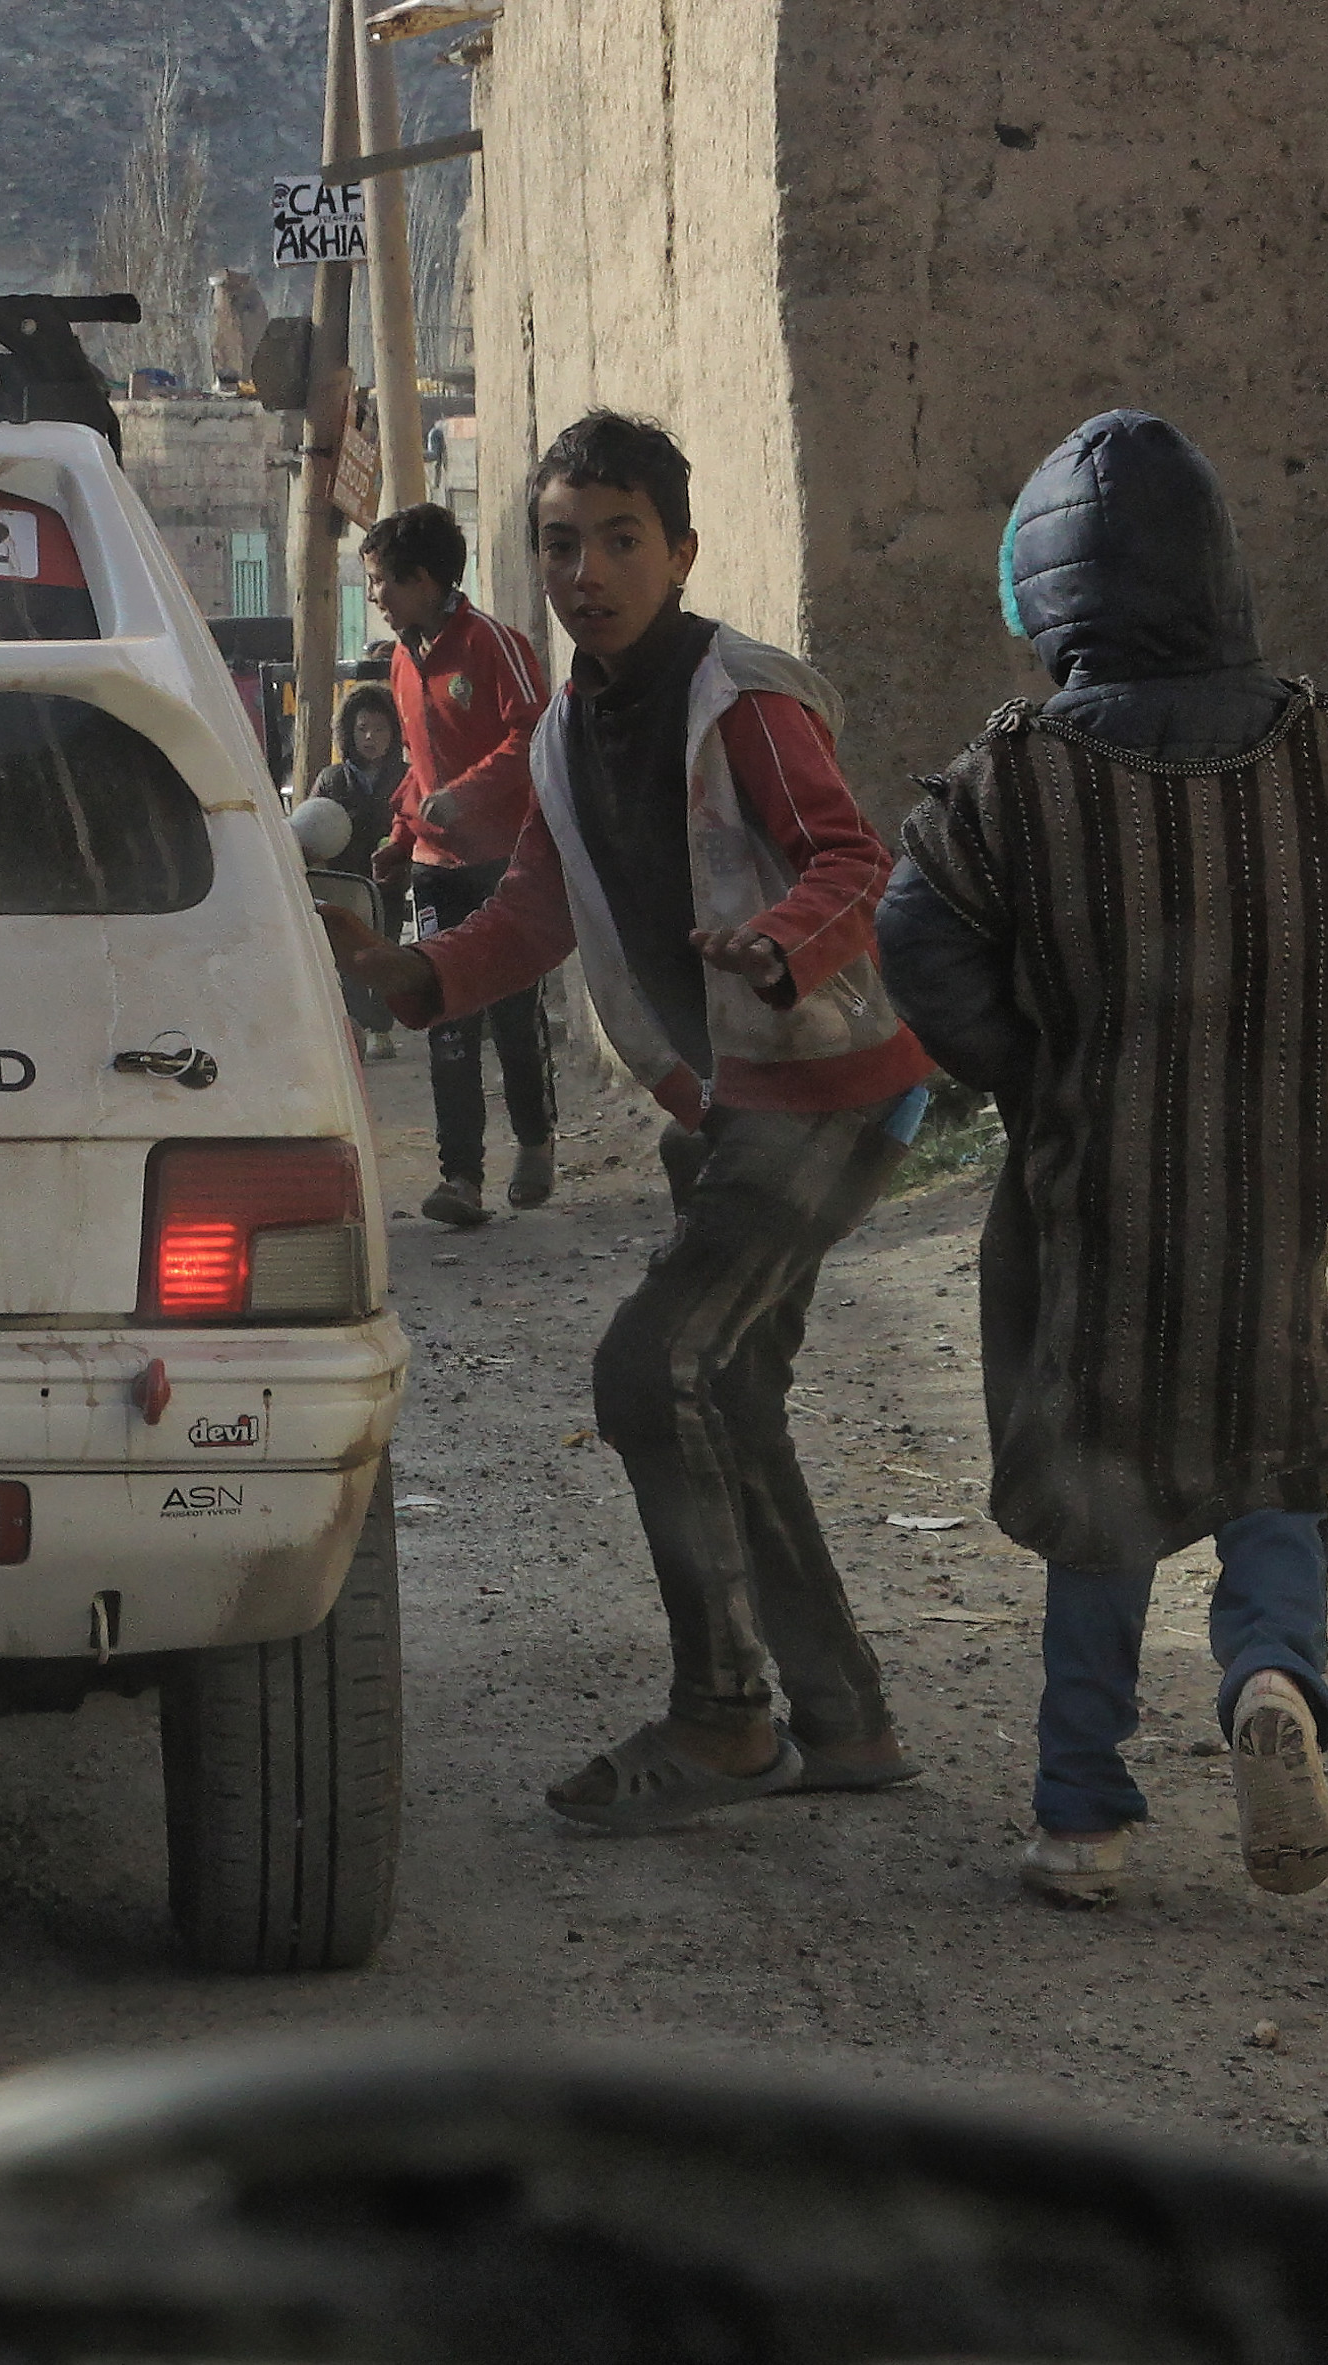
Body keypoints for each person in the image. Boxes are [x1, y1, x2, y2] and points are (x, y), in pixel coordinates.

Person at [875, 410, 1328, 1910]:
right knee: (1276, 1451)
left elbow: (916, 933)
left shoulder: (1017, 778)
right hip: (1275, 1191)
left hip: (1099, 1209)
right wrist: (1327, 1054)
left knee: (1098, 1498)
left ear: (1051, 593)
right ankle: (1272, 1675)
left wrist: (1039, 1069)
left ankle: (1081, 1813)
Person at [326, 414, 937, 1831]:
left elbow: (854, 858)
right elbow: (536, 909)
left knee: (649, 1367)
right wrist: (414, 975)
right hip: (727, 1104)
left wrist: (778, 942)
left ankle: (725, 1715)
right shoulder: (562, 736)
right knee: (726, 1390)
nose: (586, 572)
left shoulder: (740, 701)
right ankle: (842, 1718)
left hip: (826, 1090)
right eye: (560, 545)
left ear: (680, 553)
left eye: (618, 541)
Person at [357, 502, 558, 1227]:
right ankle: (461, 1178)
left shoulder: (491, 644)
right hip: (436, 870)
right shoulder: (400, 661)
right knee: (447, 1020)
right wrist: (400, 837)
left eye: (382, 581)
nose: (376, 596)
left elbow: (533, 734)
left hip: (507, 866)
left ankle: (534, 1141)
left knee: (513, 1018)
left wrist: (465, 796)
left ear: (423, 579)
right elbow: (419, 769)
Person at [311, 688, 411, 1058]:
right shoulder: (331, 780)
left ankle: (382, 1028)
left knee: (386, 950)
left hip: (389, 884)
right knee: (349, 956)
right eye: (362, 729)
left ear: (394, 733)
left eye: (380, 729)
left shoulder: (406, 778)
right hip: (345, 884)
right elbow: (312, 826)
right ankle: (358, 1024)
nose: (370, 737)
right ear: (348, 734)